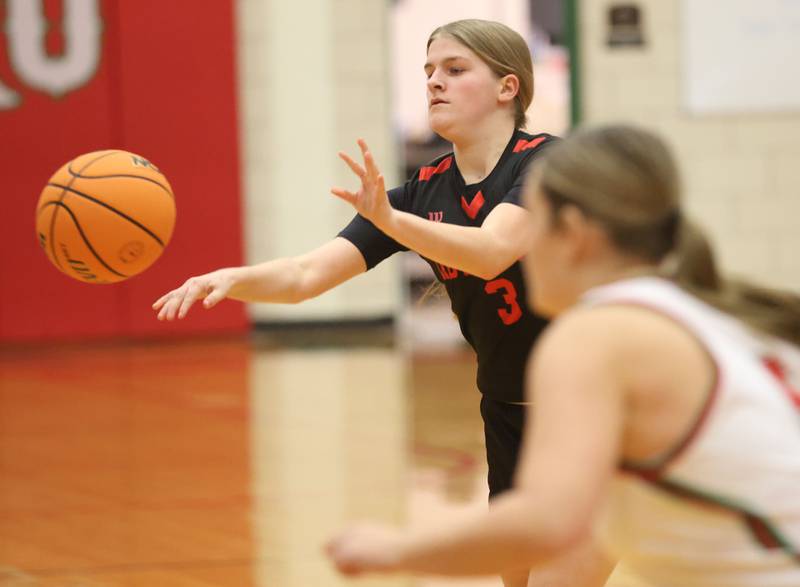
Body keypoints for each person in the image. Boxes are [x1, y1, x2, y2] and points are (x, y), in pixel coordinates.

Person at [153, 19, 612, 587]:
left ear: (507, 88)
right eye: (427, 72)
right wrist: (231, 277)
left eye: (454, 69)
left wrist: (394, 222)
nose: (434, 82)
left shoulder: (547, 164)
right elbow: (303, 277)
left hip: (597, 407)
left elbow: (494, 250)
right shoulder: (420, 192)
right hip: (509, 407)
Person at [326, 124, 800, 586]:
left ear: (573, 233)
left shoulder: (597, 337)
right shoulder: (715, 312)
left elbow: (543, 523)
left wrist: (394, 551)